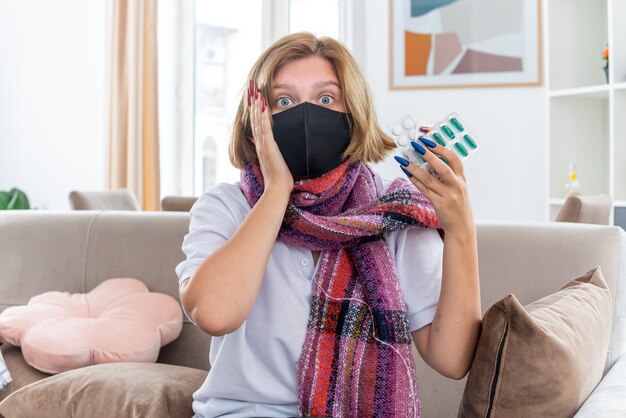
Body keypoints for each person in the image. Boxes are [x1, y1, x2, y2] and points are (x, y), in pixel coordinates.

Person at [176, 32, 480, 418]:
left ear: (354, 115)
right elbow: (215, 314)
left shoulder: (394, 211)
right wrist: (276, 191)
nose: (306, 115)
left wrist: (460, 229)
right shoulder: (225, 206)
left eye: (325, 99)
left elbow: (452, 359)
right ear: (256, 123)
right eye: (283, 101)